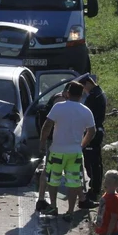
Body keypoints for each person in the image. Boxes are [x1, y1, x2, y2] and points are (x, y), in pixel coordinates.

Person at [39, 81, 95, 219]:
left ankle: (53, 207)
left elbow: (47, 125)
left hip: (57, 150)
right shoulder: (86, 111)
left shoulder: (58, 107)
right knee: (73, 182)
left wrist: (42, 142)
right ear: (81, 95)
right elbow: (92, 131)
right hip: (75, 152)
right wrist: (82, 144)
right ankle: (70, 212)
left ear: (67, 93)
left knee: (53, 180)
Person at [77, 74, 107, 210]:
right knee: (94, 162)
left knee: (92, 162)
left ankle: (94, 191)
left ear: (89, 83)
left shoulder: (94, 96)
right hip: (96, 131)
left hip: (93, 132)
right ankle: (94, 188)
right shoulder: (98, 94)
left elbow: (87, 116)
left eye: (84, 86)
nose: (83, 90)